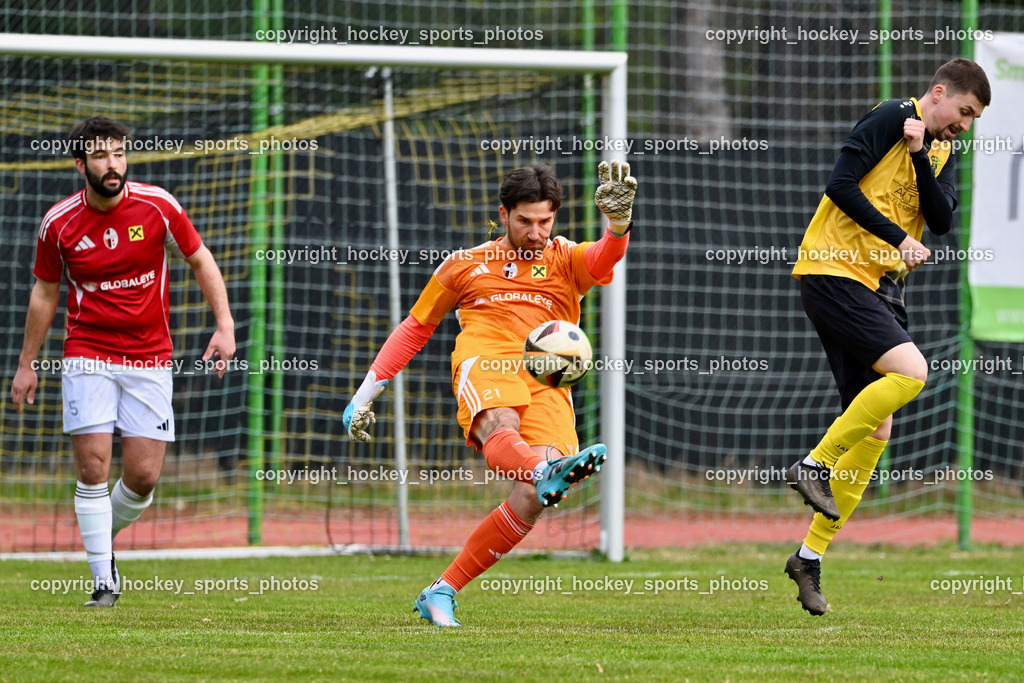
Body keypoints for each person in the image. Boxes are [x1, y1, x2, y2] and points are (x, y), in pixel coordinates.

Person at [343, 161, 637, 626]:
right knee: (503, 426)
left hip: (546, 377)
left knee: (532, 496)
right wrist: (366, 391)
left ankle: (441, 590)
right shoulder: (465, 265)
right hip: (487, 358)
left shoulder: (563, 258)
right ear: (503, 214)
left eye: (545, 221)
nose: (536, 232)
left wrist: (617, 225)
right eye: (525, 221)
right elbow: (416, 327)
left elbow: (603, 259)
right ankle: (546, 469)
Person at [786, 59, 990, 614]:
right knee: (913, 371)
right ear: (939, 92)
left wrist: (923, 153)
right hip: (834, 269)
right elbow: (840, 185)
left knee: (878, 427)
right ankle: (814, 464)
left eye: (973, 120)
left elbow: (943, 219)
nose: (965, 125)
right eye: (963, 112)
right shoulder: (888, 116)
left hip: (878, 286)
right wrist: (899, 238)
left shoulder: (941, 149)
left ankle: (809, 557)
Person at [10, 116, 236, 607]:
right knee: (93, 468)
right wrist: (27, 363)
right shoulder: (59, 223)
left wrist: (225, 326)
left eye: (118, 154)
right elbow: (45, 292)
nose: (112, 165)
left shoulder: (159, 207)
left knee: (143, 477)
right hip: (86, 352)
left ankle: (98, 541)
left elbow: (201, 260)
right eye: (100, 156)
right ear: (80, 164)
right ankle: (103, 581)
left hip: (150, 356)